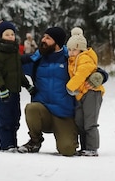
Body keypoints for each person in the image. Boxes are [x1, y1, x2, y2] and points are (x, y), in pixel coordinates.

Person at [17, 27, 78, 156]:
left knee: (67, 150)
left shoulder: (71, 58)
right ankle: (34, 141)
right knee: (31, 108)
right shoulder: (36, 59)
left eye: (48, 38)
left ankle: (70, 137)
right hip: (42, 110)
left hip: (64, 113)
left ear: (57, 43)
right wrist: (0, 38)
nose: (43, 40)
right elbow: (11, 64)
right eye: (44, 37)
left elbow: (90, 67)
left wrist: (100, 75)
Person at [0, 20, 34, 152]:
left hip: (15, 91)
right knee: (5, 117)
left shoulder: (14, 52)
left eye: (12, 34)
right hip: (3, 92)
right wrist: (1, 88)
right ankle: (5, 144)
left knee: (15, 117)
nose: (10, 37)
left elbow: (18, 73)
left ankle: (13, 143)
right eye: (7, 34)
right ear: (0, 36)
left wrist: (27, 85)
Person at [65, 27, 105, 157]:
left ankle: (92, 148)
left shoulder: (85, 59)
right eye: (69, 49)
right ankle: (84, 147)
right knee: (80, 121)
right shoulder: (71, 60)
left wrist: (70, 87)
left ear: (81, 49)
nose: (71, 52)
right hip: (80, 94)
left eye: (74, 49)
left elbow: (81, 74)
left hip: (92, 93)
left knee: (90, 122)